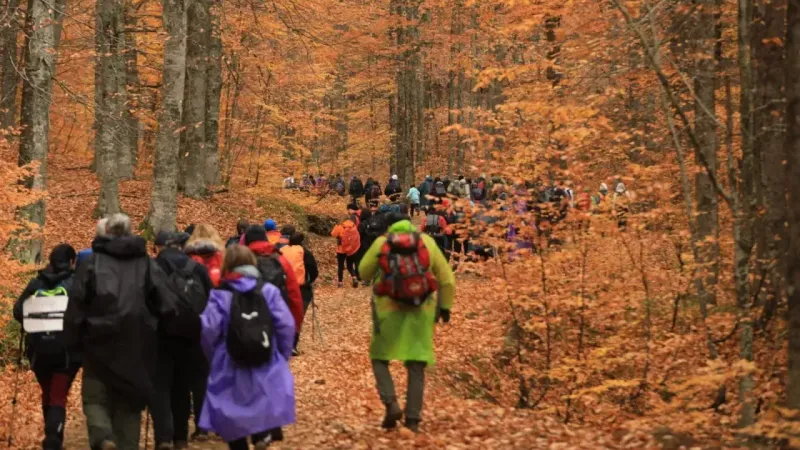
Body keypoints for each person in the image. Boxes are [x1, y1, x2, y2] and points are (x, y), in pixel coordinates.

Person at [65, 214, 178, 450]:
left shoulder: (91, 263)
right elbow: (168, 305)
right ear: (129, 232)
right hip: (137, 345)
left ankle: (103, 437)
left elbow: (75, 307)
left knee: (95, 399)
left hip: (97, 344)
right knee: (131, 404)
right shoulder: (146, 263)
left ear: (104, 233)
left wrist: (72, 343)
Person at [358, 215, 455, 433]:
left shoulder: (382, 242)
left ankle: (391, 403)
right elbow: (447, 278)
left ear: (390, 226)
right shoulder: (426, 242)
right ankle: (412, 419)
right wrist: (445, 307)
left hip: (387, 310)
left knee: (379, 357)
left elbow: (363, 272)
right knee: (417, 362)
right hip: (421, 309)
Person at [199, 245, 296, 450]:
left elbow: (208, 329)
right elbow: (286, 325)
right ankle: (261, 436)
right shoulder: (268, 291)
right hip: (265, 358)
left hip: (229, 362)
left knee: (232, 415)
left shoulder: (219, 294)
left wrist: (213, 357)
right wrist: (281, 354)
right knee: (261, 405)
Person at [13, 244, 81, 450]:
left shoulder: (36, 283)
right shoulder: (75, 284)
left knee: (48, 392)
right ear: (71, 262)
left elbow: (18, 311)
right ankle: (53, 437)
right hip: (66, 351)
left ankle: (52, 433)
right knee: (58, 394)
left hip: (39, 349)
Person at [152, 231, 214, 448]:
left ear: (158, 247)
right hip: (193, 333)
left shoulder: (153, 267)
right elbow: (210, 298)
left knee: (160, 387)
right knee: (183, 385)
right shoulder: (196, 268)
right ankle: (180, 437)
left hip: (161, 334)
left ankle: (163, 437)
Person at [243, 226, 305, 337]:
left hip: (246, 324)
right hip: (276, 322)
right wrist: (295, 327)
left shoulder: (240, 261)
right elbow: (294, 295)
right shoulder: (281, 260)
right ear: (265, 238)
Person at [280, 232, 319, 353]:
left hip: (282, 286)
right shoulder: (304, 252)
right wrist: (309, 281)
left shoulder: (282, 250)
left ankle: (282, 342)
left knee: (284, 315)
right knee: (297, 315)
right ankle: (293, 345)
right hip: (300, 288)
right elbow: (314, 270)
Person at [331, 218, 361, 288]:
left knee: (340, 266)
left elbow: (333, 234)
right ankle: (354, 278)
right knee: (349, 266)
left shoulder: (340, 227)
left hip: (341, 250)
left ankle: (340, 283)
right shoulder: (353, 227)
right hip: (350, 250)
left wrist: (336, 226)